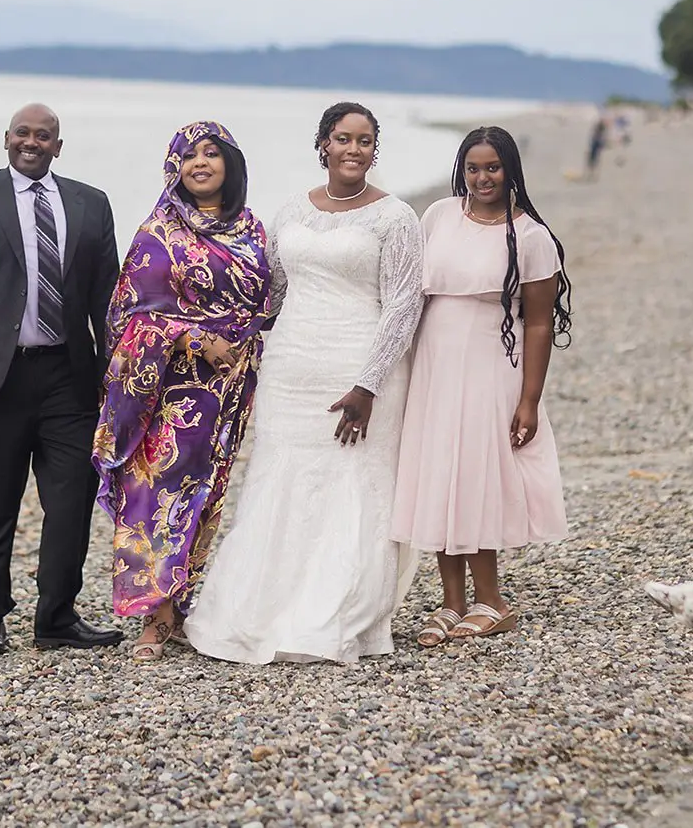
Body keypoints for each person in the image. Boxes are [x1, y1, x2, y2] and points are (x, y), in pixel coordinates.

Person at [184, 102, 425, 664]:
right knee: (280, 482)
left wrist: (368, 383)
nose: (353, 149)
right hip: (290, 368)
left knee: (351, 487)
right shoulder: (293, 210)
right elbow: (271, 292)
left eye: (364, 141)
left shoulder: (396, 219)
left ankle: (332, 615)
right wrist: (214, 331)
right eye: (342, 138)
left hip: (359, 369)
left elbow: (403, 305)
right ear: (323, 145)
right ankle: (256, 611)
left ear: (374, 150)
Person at [0, 103, 125, 658]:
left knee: (71, 503)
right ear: (6, 139)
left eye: (44, 136)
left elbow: (106, 296)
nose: (32, 142)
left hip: (70, 377)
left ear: (58, 146)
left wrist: (114, 373)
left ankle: (57, 617)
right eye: (23, 133)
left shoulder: (90, 203)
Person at [93, 123, 274, 663]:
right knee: (156, 492)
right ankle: (153, 615)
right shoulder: (157, 234)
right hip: (165, 390)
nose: (200, 163)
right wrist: (194, 336)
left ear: (230, 164)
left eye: (211, 153)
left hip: (230, 386)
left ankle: (180, 602)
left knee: (207, 494)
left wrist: (242, 342)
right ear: (174, 167)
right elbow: (130, 319)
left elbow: (267, 302)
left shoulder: (253, 230)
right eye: (188, 155)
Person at [393, 126, 571, 646]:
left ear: (510, 170)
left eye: (492, 167)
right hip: (433, 363)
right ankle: (451, 602)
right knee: (439, 473)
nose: (482, 177)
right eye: (473, 168)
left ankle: (491, 599)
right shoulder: (439, 216)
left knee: (472, 475)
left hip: (491, 365)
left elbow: (538, 323)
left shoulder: (532, 237)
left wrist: (530, 400)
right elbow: (412, 294)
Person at [585, 116, 608, 180]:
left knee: (592, 160)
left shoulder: (599, 133)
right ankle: (592, 175)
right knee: (594, 160)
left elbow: (596, 140)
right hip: (596, 145)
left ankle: (592, 175)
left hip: (595, 145)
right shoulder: (601, 134)